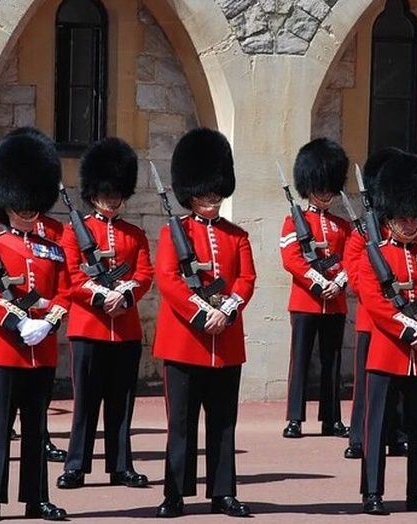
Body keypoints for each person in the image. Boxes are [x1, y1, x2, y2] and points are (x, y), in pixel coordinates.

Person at [153, 128, 257, 518]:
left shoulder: (237, 236)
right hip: (185, 341)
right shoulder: (173, 232)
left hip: (225, 341)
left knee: (223, 423)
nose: (211, 199)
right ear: (190, 192)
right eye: (203, 193)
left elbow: (246, 279)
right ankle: (175, 493)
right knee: (180, 422)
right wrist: (201, 312)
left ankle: (223, 492)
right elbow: (168, 279)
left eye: (215, 192)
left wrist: (226, 309)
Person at [0, 130, 69, 522]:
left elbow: (67, 291)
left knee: (36, 427)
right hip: (4, 350)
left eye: (32, 205)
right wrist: (17, 322)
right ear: (6, 201)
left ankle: (36, 498)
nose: (27, 212)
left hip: (41, 350)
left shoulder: (53, 246)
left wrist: (48, 324)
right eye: (19, 205)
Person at [356, 152, 417, 515]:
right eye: (403, 218)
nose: (410, 224)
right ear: (389, 218)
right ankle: (372, 491)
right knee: (378, 426)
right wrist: (408, 326)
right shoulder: (373, 256)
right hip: (387, 352)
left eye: (414, 217)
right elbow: (374, 302)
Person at [57, 137, 154, 490]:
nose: (112, 198)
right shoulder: (73, 232)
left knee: (121, 404)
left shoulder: (135, 234)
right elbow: (70, 276)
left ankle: (120, 465)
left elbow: (144, 274)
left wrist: (124, 295)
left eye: (117, 192)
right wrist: (100, 297)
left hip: (125, 330)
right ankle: (76, 465)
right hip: (89, 329)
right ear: (93, 191)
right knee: (85, 403)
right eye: (106, 192)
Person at [280, 138, 351, 440]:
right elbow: (291, 258)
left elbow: (353, 259)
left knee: (332, 360)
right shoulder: (293, 221)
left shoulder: (342, 226)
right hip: (306, 301)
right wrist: (319, 281)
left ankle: (331, 418)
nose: (325, 193)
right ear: (308, 186)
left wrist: (339, 282)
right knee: (301, 360)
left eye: (328, 187)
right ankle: (295, 418)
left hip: (334, 302)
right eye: (320, 186)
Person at [343, 147, 408, 459]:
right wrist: (381, 297)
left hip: (402, 319)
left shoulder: (406, 238)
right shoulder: (362, 235)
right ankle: (359, 437)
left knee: (397, 385)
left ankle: (395, 435)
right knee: (366, 384)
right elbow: (355, 275)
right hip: (372, 320)